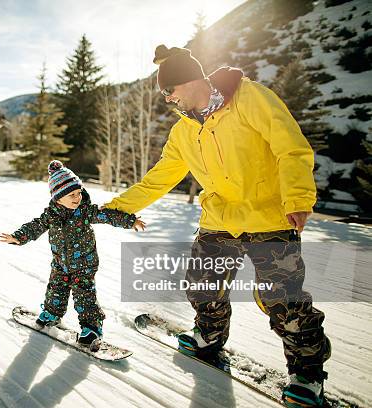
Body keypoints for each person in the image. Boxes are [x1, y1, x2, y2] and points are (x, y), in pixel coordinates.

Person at [103, 46, 331, 407]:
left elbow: (290, 146)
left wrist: (299, 197)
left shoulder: (250, 98)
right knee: (204, 284)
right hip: (219, 220)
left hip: (269, 216)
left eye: (168, 91)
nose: (168, 100)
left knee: (283, 299)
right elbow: (157, 181)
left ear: (185, 81)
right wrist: (112, 208)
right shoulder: (183, 132)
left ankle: (307, 372)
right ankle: (208, 335)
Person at [1, 160, 146, 345]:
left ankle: (92, 328)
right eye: (72, 194)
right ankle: (52, 314)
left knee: (84, 296)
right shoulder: (51, 215)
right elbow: (35, 226)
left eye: (78, 193)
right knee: (55, 291)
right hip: (60, 264)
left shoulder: (85, 212)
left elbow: (107, 215)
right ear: (58, 197)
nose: (77, 197)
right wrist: (18, 237)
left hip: (84, 265)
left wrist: (129, 221)